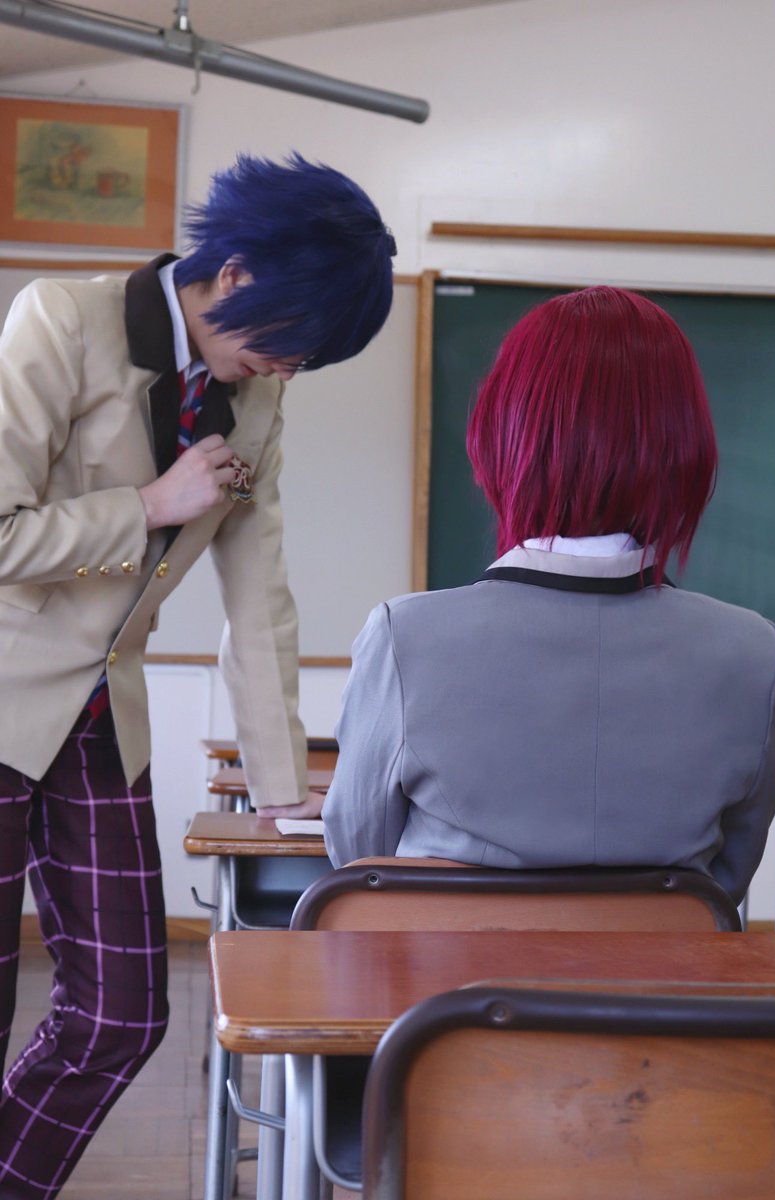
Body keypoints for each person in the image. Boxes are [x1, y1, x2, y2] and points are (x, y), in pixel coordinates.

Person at [0, 152, 395, 1198]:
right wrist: (148, 506)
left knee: (124, 1014)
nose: (288, 371)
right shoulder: (62, 322)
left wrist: (280, 785)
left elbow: (259, 593)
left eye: (309, 359)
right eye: (291, 341)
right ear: (234, 273)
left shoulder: (255, 399)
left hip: (101, 721)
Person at [323, 286, 775, 905]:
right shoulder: (757, 654)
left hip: (447, 969)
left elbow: (361, 863)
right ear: (685, 448)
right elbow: (724, 885)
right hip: (662, 969)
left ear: (502, 435)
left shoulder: (403, 638)